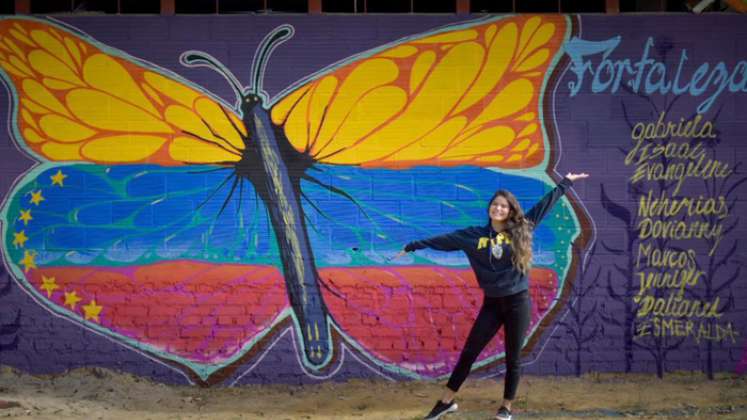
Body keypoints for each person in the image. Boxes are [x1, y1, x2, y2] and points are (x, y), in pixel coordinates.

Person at [392, 172, 589, 420]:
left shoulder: (520, 230)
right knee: (469, 353)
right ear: (489, 209)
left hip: (518, 303)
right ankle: (445, 402)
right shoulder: (472, 236)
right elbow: (441, 240)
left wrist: (565, 183)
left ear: (509, 211)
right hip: (492, 305)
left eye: (503, 206)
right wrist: (411, 246)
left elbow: (543, 207)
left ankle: (506, 406)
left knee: (513, 357)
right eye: (495, 204)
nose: (498, 208)